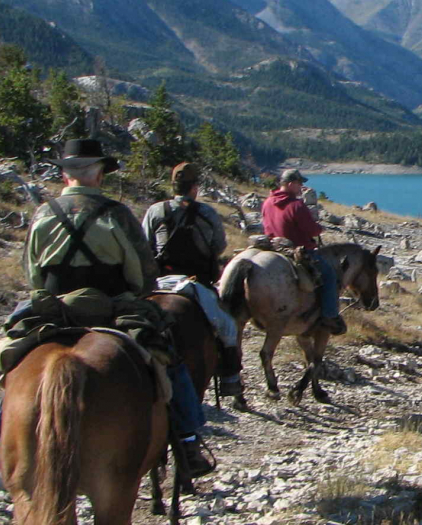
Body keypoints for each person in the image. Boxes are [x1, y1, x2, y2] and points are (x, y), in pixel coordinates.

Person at [0, 139, 214, 477]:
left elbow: (32, 273)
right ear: (98, 174)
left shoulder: (43, 213)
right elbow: (142, 273)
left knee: (17, 355)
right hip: (112, 306)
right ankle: (187, 438)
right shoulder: (116, 214)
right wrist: (134, 292)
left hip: (54, 307)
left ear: (66, 175)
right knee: (168, 354)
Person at [142, 162, 243, 401]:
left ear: (174, 186)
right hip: (193, 283)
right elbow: (218, 246)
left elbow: (144, 245)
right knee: (228, 328)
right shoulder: (206, 213)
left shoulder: (156, 211)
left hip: (159, 282)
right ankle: (230, 379)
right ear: (195, 188)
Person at [260, 168, 346, 334]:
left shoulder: (268, 202)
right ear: (291, 184)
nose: (301, 188)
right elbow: (311, 230)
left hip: (273, 247)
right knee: (329, 275)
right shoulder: (296, 205)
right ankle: (330, 315)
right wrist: (319, 228)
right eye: (299, 184)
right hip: (295, 250)